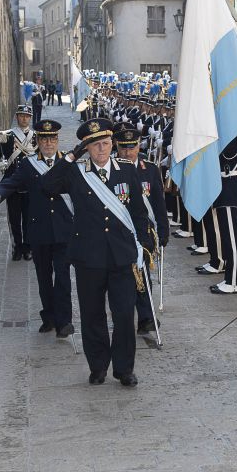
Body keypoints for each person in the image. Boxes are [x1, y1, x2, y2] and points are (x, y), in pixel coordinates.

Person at [41, 118, 151, 387]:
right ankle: (98, 365)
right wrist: (69, 156)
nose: (101, 149)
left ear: (112, 144)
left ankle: (124, 368)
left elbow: (138, 212)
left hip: (122, 256)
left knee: (124, 314)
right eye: (94, 145)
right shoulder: (75, 172)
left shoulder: (126, 171)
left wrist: (144, 247)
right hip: (88, 257)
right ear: (86, 148)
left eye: (104, 143)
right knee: (92, 314)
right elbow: (47, 186)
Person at [0, 119, 75, 338]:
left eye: (52, 138)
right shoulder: (28, 164)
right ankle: (49, 317)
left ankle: (64, 321)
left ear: (57, 140)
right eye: (44, 139)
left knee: (63, 277)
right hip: (39, 230)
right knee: (44, 278)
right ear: (38, 140)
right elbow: (13, 181)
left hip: (64, 230)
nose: (48, 143)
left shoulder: (67, 162)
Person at [113, 125, 169, 334]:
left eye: (132, 147)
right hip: (119, 231)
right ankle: (125, 317)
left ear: (138, 146)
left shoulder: (151, 169)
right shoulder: (111, 168)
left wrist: (163, 230)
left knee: (143, 272)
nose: (128, 152)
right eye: (123, 148)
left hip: (143, 231)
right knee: (124, 277)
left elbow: (158, 203)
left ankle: (146, 317)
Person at [0, 105, 36, 261]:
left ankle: (28, 247)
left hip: (31, 184)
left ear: (30, 118)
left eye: (27, 116)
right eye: (21, 115)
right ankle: (17, 247)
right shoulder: (7, 136)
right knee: (14, 218)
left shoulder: (36, 136)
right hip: (12, 183)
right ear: (17, 117)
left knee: (30, 218)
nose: (24, 118)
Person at [208, 133, 237, 294]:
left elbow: (229, 154)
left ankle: (234, 281)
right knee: (226, 236)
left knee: (231, 237)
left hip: (229, 185)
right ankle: (230, 279)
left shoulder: (233, 134)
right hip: (223, 185)